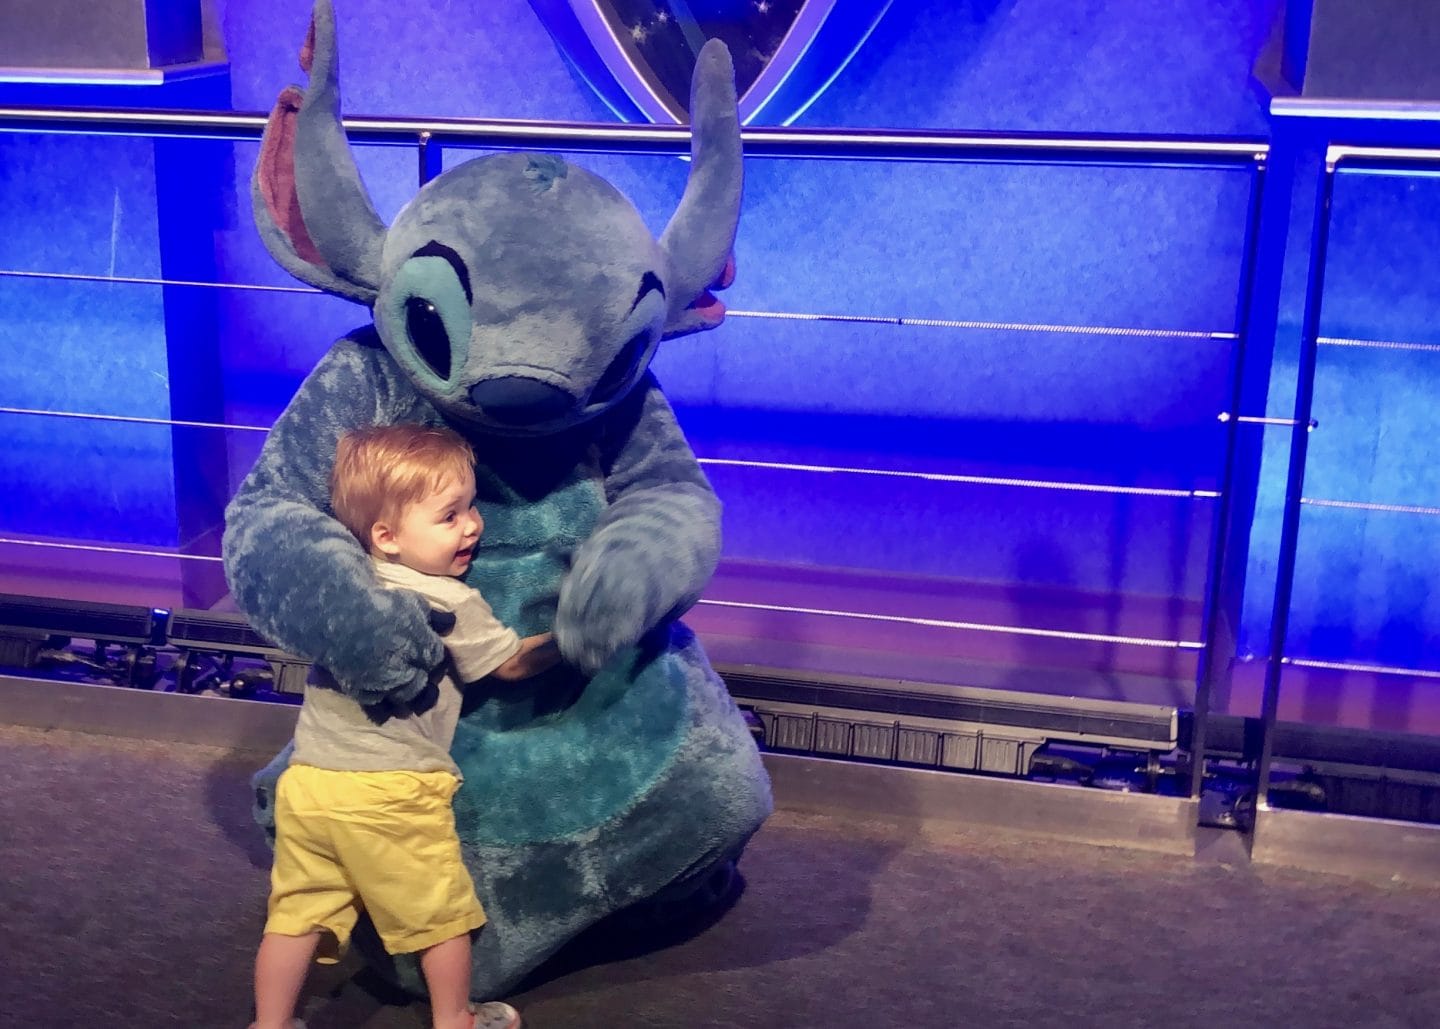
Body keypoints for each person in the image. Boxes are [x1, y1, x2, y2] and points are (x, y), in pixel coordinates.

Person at [249, 423, 559, 1029]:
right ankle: (455, 1020)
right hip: (391, 791)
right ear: (387, 536)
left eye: (471, 507)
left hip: (309, 784)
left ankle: (270, 1023)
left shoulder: (345, 587)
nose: (472, 525)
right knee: (440, 916)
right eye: (450, 515)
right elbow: (511, 662)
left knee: (296, 914)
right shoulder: (449, 601)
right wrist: (575, 635)